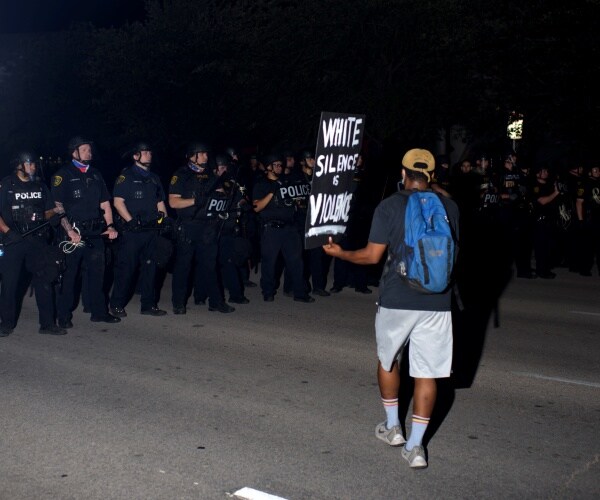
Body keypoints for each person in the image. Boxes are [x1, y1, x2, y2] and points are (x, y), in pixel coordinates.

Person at [323, 148, 459, 469]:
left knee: (388, 359)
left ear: (403, 173)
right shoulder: (450, 207)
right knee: (427, 373)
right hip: (438, 301)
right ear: (433, 174)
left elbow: (371, 257)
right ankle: (415, 448)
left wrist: (340, 254)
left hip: (398, 297)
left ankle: (393, 427)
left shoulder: (390, 206)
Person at [51, 137, 120, 328]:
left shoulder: (96, 175)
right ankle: (63, 316)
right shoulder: (62, 175)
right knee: (70, 276)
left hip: (95, 233)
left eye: (90, 149)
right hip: (74, 234)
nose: (89, 152)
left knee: (98, 274)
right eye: (84, 149)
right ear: (74, 152)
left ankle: (99, 312)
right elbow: (58, 207)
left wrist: (110, 226)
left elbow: (105, 202)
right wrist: (70, 231)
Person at [0, 152, 66, 336]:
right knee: (10, 284)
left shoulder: (40, 186)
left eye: (35, 164)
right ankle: (6, 324)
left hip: (37, 239)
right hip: (14, 240)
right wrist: (7, 232)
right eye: (30, 164)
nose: (34, 167)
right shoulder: (7, 184)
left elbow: (45, 213)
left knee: (45, 280)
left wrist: (55, 212)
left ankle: (47, 324)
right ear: (19, 165)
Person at [169, 143, 234, 314]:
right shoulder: (181, 175)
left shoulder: (210, 176)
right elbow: (173, 202)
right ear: (192, 156)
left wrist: (223, 196)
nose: (206, 156)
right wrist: (194, 201)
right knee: (183, 266)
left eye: (206, 153)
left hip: (207, 227)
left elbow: (221, 195)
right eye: (202, 153)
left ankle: (216, 301)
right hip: (188, 226)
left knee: (210, 266)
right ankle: (178, 303)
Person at [108, 142, 168, 318]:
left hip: (151, 229)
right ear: (136, 156)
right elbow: (118, 202)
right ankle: (116, 304)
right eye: (145, 152)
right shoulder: (126, 177)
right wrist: (131, 221)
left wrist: (165, 220)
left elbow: (160, 202)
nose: (149, 154)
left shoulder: (154, 178)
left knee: (151, 268)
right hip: (133, 231)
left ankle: (148, 305)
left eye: (150, 151)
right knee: (127, 269)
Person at [252, 154, 314, 303]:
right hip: (272, 229)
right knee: (269, 262)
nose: (279, 167)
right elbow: (256, 207)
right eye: (276, 165)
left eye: (281, 165)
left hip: (290, 228)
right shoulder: (261, 184)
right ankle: (268, 291)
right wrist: (272, 191)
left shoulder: (287, 182)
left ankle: (300, 292)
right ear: (268, 167)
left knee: (296, 261)